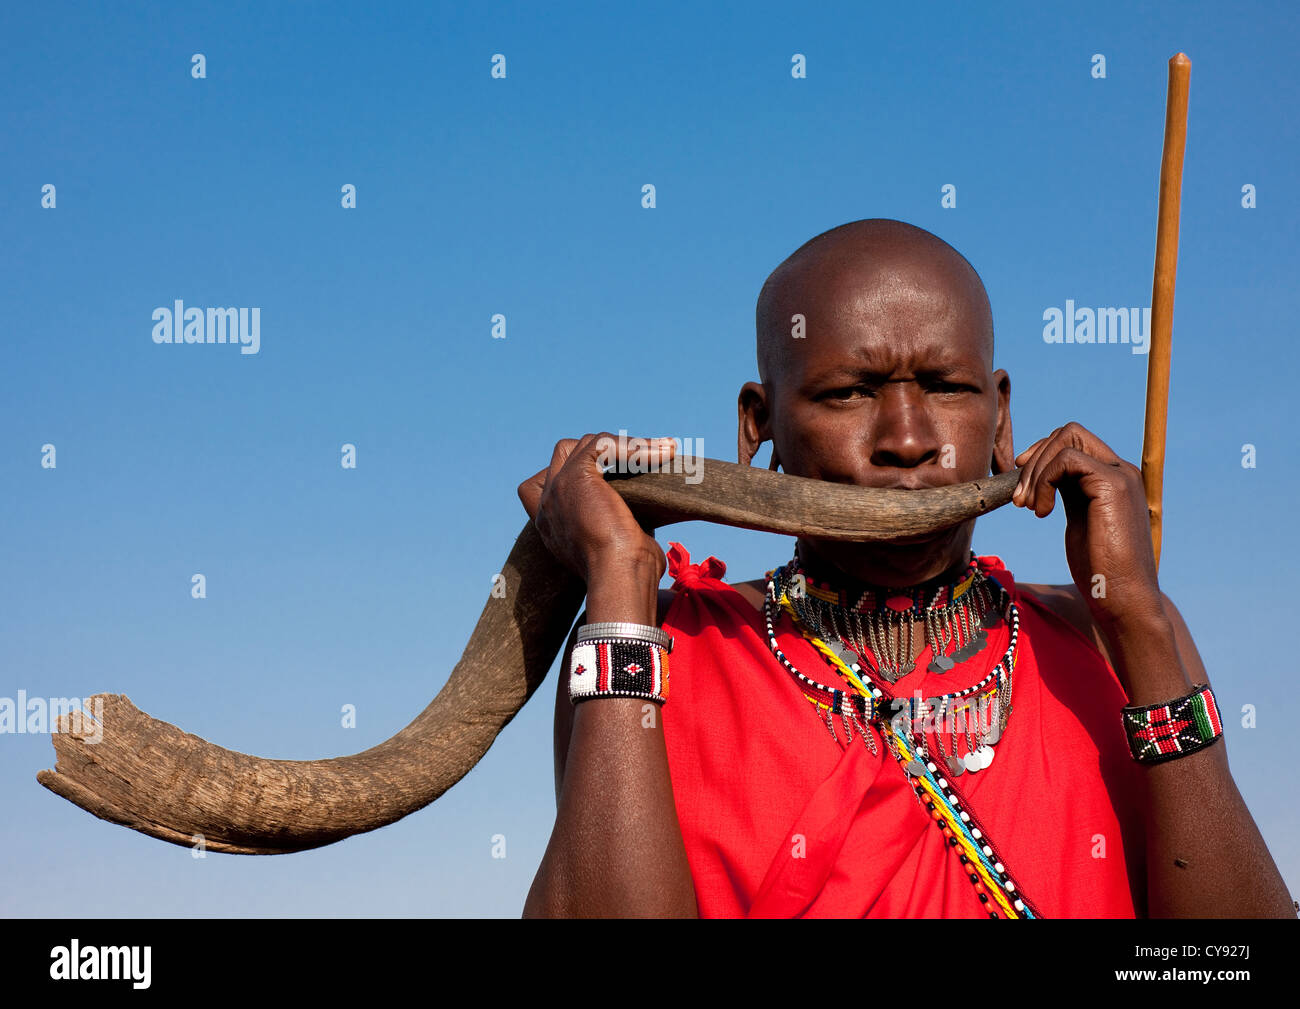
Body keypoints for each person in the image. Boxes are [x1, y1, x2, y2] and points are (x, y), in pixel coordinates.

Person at [516, 218, 1294, 918]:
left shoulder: (1113, 639)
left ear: (1002, 418)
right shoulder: (654, 647)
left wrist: (1139, 618)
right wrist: (618, 578)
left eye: (947, 387)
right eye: (849, 392)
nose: (909, 438)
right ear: (760, 424)